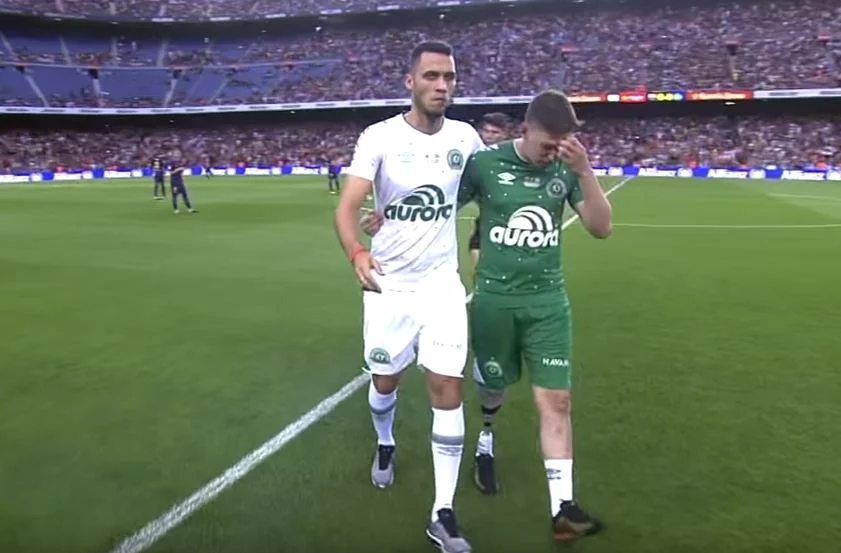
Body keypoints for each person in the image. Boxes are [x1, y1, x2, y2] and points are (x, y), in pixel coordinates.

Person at [333, 40, 483, 553]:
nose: (442, 86)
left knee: (446, 386)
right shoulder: (379, 137)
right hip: (388, 285)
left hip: (441, 284)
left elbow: (485, 189)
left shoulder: (465, 137)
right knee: (385, 381)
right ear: (411, 82)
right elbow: (347, 207)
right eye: (432, 76)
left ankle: (443, 513)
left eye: (450, 77)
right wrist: (357, 250)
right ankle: (386, 442)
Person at [459, 89, 610, 541]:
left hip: (547, 303)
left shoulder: (567, 166)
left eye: (561, 145)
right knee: (493, 386)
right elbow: (443, 207)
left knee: (557, 400)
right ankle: (486, 435)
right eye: (548, 144)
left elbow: (601, 227)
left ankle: (563, 509)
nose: (553, 153)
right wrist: (389, 217)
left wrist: (584, 170)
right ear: (526, 130)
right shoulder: (485, 164)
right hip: (494, 302)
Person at [467, 112, 514, 289]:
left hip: (514, 229)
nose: (488, 136)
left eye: (494, 132)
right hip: (485, 226)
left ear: (505, 134)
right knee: (479, 275)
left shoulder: (516, 158)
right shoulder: (476, 159)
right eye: (486, 131)